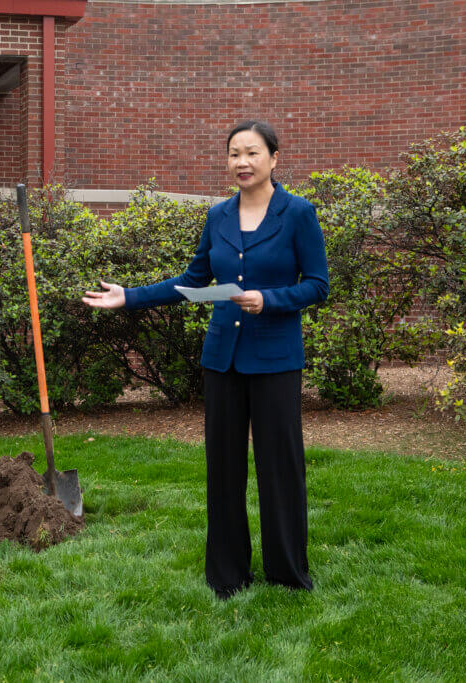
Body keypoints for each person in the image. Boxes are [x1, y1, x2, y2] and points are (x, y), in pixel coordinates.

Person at [82, 120, 328, 599]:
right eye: (234, 153)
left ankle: (287, 573)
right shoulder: (217, 216)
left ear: (274, 159)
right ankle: (227, 575)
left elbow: (317, 285)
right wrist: (129, 297)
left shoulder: (298, 213)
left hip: (276, 358)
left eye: (252, 153)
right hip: (222, 359)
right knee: (224, 469)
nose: (242, 162)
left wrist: (269, 300)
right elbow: (194, 280)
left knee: (281, 467)